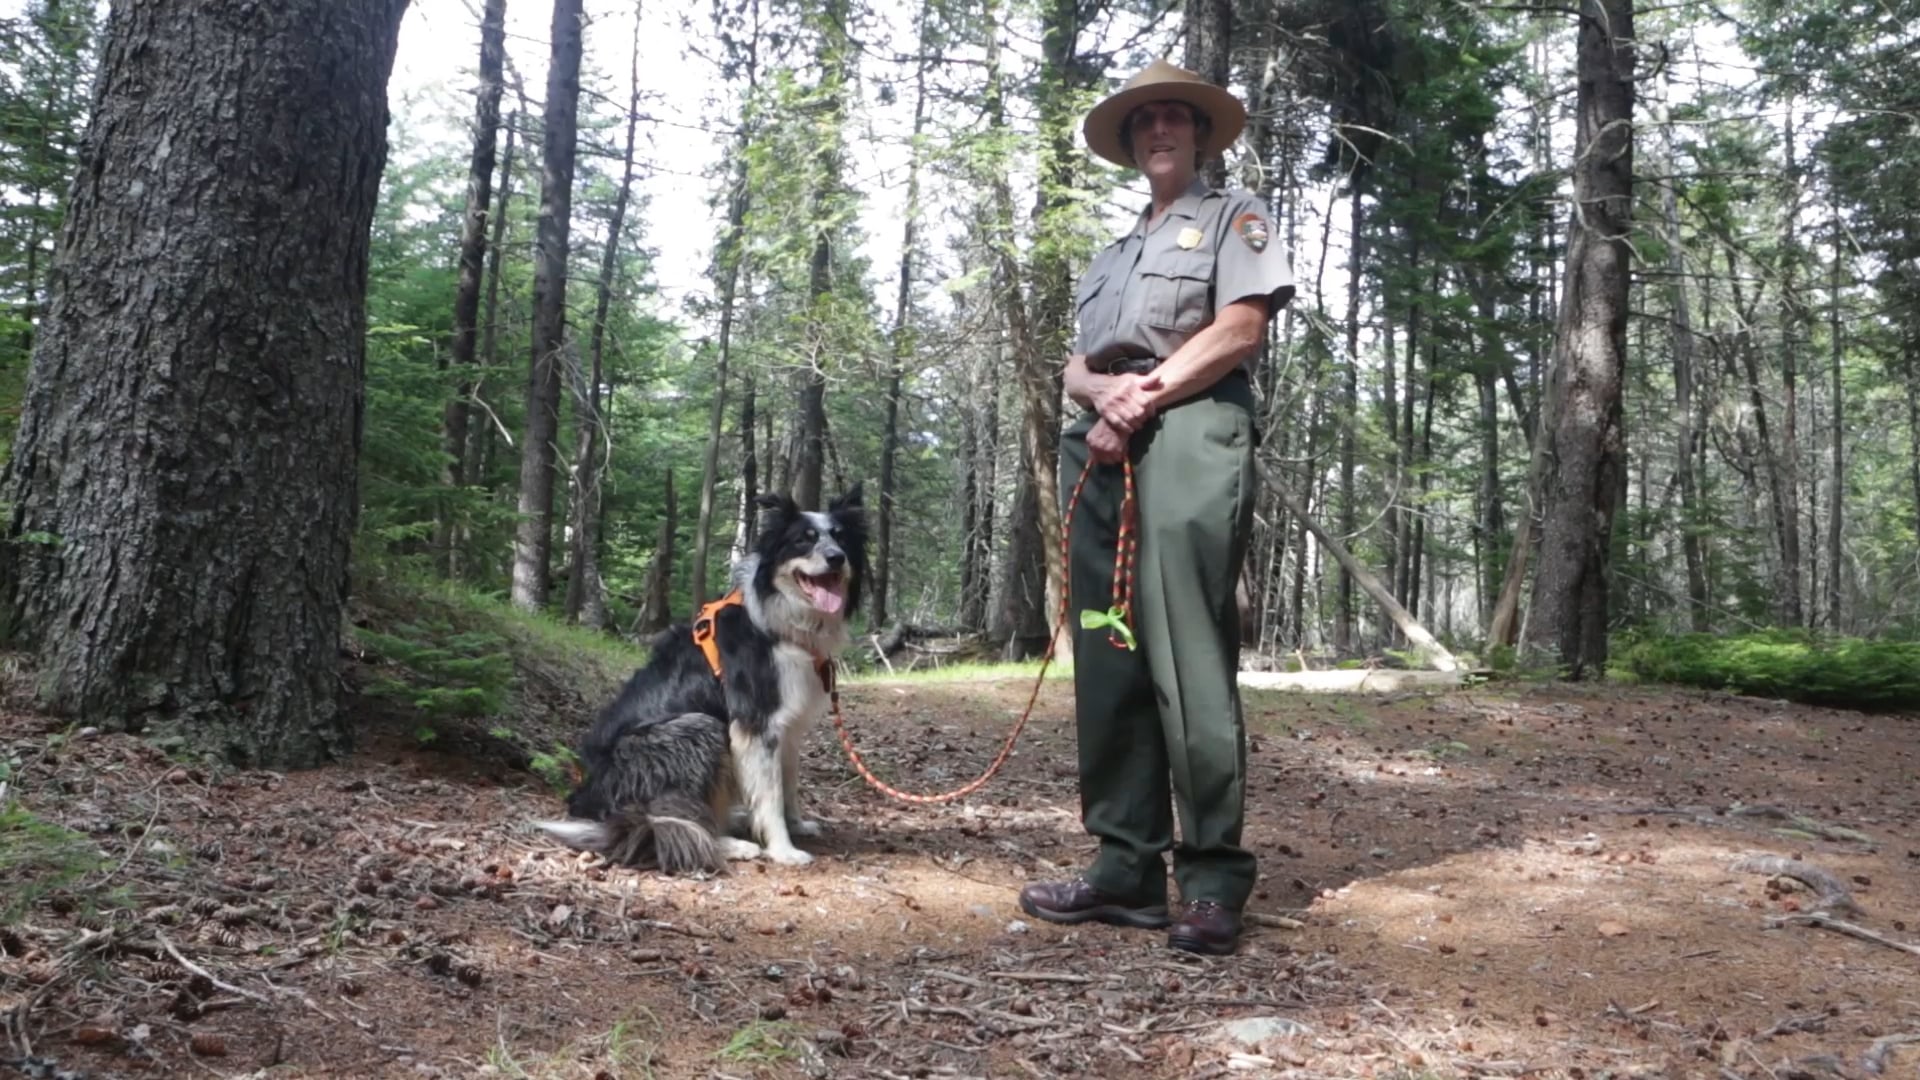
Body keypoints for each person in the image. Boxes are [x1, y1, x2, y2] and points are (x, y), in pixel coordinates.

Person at [1017, 59, 1295, 956]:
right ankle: (1125, 869)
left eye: (1176, 118)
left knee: (1184, 647)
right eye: (1145, 123)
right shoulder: (1112, 255)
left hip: (1189, 431)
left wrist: (1143, 395)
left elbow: (1241, 327)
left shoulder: (1231, 217)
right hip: (1098, 445)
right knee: (1107, 649)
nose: (1160, 131)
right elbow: (1075, 363)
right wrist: (1100, 395)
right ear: (1133, 144)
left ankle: (1211, 876)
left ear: (1202, 135)